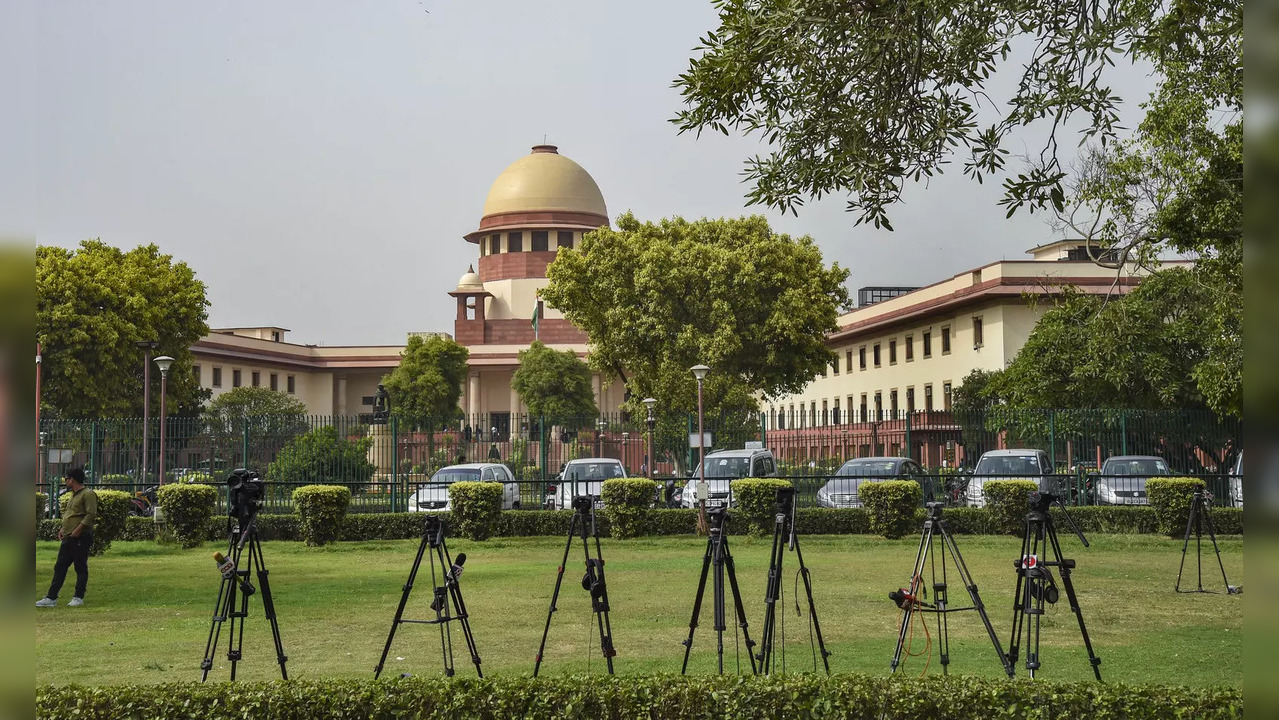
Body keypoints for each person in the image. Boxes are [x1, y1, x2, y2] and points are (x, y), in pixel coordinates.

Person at [37, 467, 98, 608]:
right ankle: (51, 598)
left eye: (67, 478)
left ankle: (78, 596)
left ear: (73, 479)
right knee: (60, 566)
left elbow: (91, 514)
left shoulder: (87, 494)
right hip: (68, 536)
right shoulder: (73, 495)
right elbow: (72, 514)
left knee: (80, 566)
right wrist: (64, 528)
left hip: (81, 536)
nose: (65, 481)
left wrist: (78, 529)